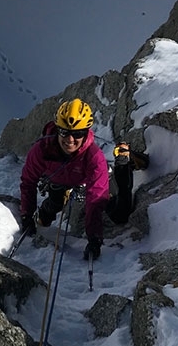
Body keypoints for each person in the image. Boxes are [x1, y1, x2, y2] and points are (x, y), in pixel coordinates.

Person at [19, 98, 110, 260]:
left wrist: (94, 238)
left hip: (79, 180)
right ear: (57, 129)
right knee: (55, 204)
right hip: (57, 180)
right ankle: (43, 218)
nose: (70, 139)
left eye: (77, 134)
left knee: (96, 206)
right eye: (64, 132)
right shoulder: (42, 149)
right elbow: (28, 181)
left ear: (86, 132)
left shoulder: (94, 157)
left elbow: (96, 197)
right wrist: (27, 214)